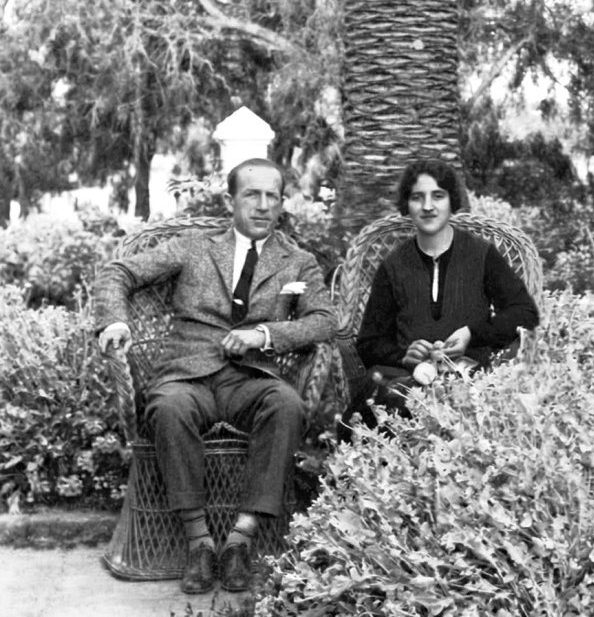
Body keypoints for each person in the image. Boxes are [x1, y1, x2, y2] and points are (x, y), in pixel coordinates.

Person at [93, 158, 335, 594]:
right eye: (251, 195)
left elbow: (323, 322)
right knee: (167, 407)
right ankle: (199, 543)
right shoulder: (193, 246)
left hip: (251, 379)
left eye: (272, 197)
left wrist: (265, 334)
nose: (262, 206)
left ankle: (239, 540)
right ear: (230, 200)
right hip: (187, 375)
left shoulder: (297, 261)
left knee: (287, 405)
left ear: (282, 202)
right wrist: (114, 321)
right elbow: (118, 272)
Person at [345, 159, 538, 435]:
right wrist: (405, 356)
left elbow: (524, 313)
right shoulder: (393, 265)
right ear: (406, 205)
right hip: (407, 383)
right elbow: (369, 342)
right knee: (389, 401)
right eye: (417, 198)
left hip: (472, 381)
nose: (427, 206)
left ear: (451, 201)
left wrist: (473, 334)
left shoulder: (482, 255)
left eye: (438, 196)